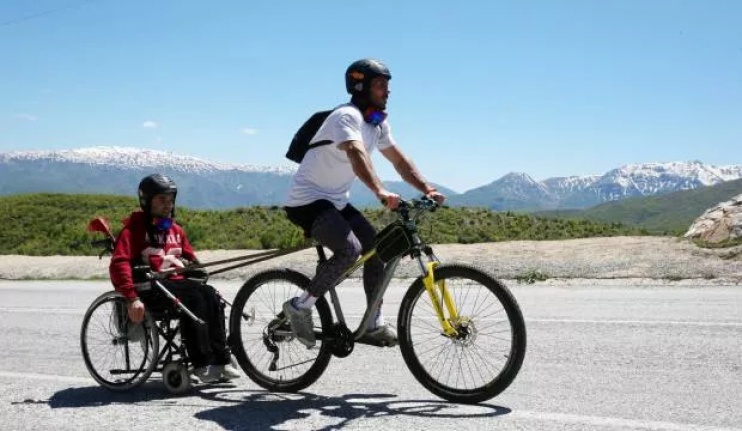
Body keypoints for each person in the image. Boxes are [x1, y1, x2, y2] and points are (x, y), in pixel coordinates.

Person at [282, 58, 446, 348]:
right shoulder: (345, 116)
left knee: (376, 248)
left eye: (388, 85)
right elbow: (357, 154)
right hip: (307, 201)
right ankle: (300, 306)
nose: (388, 91)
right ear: (361, 87)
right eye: (381, 85)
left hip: (335, 201)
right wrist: (380, 191)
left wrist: (427, 188)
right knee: (350, 250)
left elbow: (399, 160)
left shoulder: (377, 125)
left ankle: (372, 323)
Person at [109, 173, 241, 383]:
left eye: (170, 200)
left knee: (211, 295)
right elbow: (119, 264)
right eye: (161, 199)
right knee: (193, 298)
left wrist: (196, 268)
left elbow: (191, 259)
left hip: (178, 285)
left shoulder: (176, 230)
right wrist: (132, 298)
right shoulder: (133, 230)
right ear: (146, 200)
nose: (167, 205)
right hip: (151, 289)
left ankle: (221, 359)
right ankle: (201, 363)